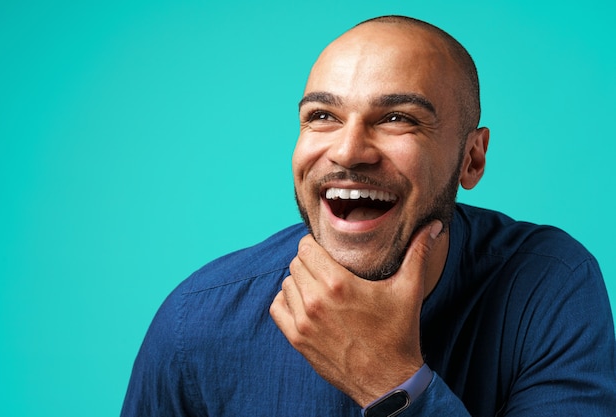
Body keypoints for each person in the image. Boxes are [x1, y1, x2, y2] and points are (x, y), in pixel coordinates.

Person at [121, 15, 616, 416]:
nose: (349, 151)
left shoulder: (550, 284)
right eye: (322, 116)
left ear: (472, 159)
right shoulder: (198, 323)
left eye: (397, 118)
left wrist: (390, 381)